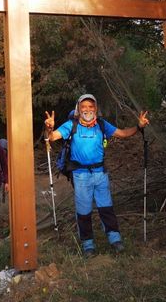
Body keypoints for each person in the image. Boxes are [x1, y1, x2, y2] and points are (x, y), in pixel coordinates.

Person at [44, 94, 149, 256]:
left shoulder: (101, 124)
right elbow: (51, 138)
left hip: (100, 173)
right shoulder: (70, 125)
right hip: (80, 175)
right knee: (84, 211)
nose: (87, 109)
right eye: (84, 106)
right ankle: (88, 245)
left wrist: (139, 126)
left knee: (106, 207)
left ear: (96, 108)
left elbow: (122, 133)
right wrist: (49, 128)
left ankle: (115, 239)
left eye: (91, 106)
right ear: (78, 108)